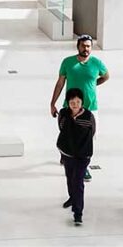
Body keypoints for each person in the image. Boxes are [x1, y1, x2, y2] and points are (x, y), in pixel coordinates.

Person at [49, 35, 108, 179]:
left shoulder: (97, 63)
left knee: (90, 137)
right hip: (70, 107)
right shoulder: (68, 63)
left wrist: (93, 84)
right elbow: (60, 83)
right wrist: (53, 103)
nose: (86, 49)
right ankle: (65, 154)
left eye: (88, 46)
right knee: (67, 134)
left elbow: (106, 76)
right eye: (83, 46)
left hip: (90, 107)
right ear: (78, 46)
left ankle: (84, 167)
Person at [56, 87, 95, 225]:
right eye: (72, 102)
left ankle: (78, 212)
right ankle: (72, 198)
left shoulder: (88, 116)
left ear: (82, 102)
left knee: (78, 182)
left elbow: (92, 132)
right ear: (68, 102)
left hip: (83, 155)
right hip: (67, 153)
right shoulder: (63, 114)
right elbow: (61, 128)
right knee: (70, 178)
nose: (75, 104)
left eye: (78, 102)